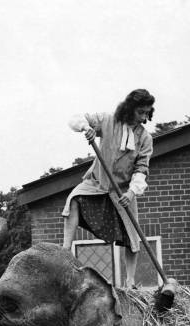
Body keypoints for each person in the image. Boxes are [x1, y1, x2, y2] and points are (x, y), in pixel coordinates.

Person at [62, 89, 155, 288]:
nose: (144, 117)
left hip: (123, 190)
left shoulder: (145, 138)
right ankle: (65, 250)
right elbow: (76, 118)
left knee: (132, 236)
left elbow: (141, 169)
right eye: (141, 112)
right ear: (130, 109)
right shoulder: (108, 121)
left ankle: (130, 281)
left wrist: (131, 193)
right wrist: (86, 128)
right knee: (74, 199)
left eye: (147, 112)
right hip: (98, 181)